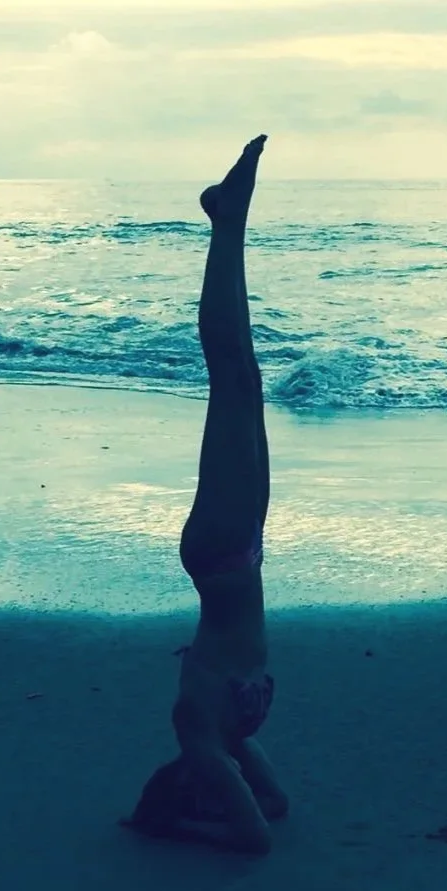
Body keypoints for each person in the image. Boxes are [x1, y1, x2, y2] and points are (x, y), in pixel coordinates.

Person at [123, 135, 290, 854]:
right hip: (242, 555)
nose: (226, 788)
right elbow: (274, 808)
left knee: (229, 372)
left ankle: (227, 223)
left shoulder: (197, 736)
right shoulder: (225, 744)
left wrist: (173, 825)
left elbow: (254, 834)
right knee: (245, 376)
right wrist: (212, 803)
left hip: (221, 553)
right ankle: (228, 223)